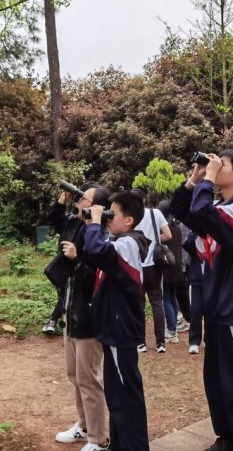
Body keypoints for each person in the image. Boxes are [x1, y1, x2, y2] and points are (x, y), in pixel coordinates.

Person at [171, 150, 233, 451]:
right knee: (217, 384)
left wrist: (208, 178)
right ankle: (227, 440)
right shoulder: (220, 210)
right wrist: (194, 179)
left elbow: (201, 212)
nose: (214, 166)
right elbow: (182, 209)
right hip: (216, 309)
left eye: (221, 164)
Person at [79, 191, 150, 451]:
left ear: (128, 220)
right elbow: (93, 253)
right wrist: (90, 223)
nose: (108, 218)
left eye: (113, 214)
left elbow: (97, 249)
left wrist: (96, 222)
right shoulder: (121, 241)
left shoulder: (129, 243)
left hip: (121, 329)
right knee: (117, 394)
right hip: (114, 327)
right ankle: (119, 445)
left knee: (126, 397)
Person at [49, 182, 111, 451]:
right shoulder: (76, 225)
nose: (78, 200)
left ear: (97, 207)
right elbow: (54, 221)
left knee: (89, 379)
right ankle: (84, 427)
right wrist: (62, 199)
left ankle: (99, 439)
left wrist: (76, 258)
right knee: (74, 374)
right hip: (71, 311)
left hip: (88, 317)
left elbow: (95, 279)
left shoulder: (99, 237)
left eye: (83, 198)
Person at [133, 189, 172, 354]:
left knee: (139, 305)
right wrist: (156, 239)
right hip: (154, 265)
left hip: (136, 265)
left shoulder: (130, 217)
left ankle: (140, 343)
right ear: (144, 199)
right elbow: (168, 235)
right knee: (157, 303)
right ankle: (160, 343)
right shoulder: (155, 213)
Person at [158, 200, 185, 344]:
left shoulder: (163, 228)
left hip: (167, 267)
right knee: (172, 297)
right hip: (177, 267)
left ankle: (171, 330)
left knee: (166, 298)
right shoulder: (176, 226)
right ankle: (173, 328)